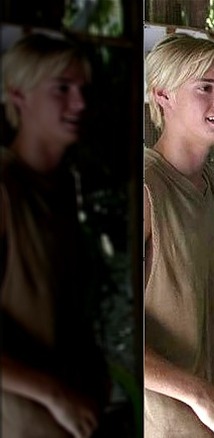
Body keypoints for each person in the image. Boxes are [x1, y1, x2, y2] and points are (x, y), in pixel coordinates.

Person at [143, 33, 214, 438]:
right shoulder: (146, 188)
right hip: (164, 421)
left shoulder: (208, 182)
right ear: (163, 95)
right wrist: (198, 393)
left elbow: (206, 291)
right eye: (204, 88)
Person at [0, 33, 110, 438]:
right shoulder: (6, 188)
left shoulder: (61, 185)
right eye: (61, 89)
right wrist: (54, 394)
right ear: (18, 95)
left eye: (82, 89)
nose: (79, 103)